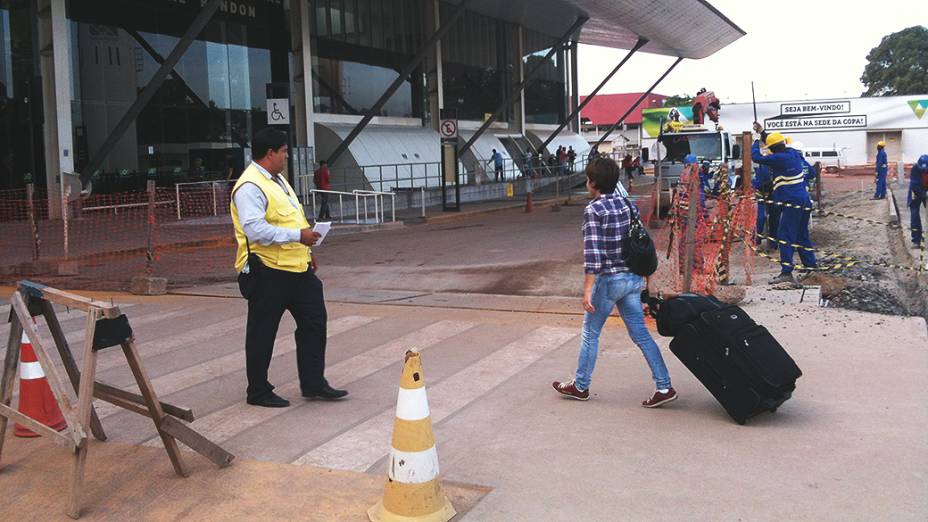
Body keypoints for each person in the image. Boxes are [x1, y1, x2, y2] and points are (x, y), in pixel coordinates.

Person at [230, 128, 347, 408]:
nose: (286, 156)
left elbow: (291, 219)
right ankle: (258, 391)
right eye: (283, 151)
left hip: (297, 268)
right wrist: (299, 237)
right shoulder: (250, 186)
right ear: (270, 153)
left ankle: (314, 382)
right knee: (262, 331)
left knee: (314, 321)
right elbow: (255, 229)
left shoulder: (278, 181)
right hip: (267, 271)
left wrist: (306, 250)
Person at [552, 156, 676, 407]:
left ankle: (581, 385)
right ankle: (664, 386)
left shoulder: (594, 210)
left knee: (590, 332)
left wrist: (588, 291)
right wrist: (647, 280)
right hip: (632, 279)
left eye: (588, 179)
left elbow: (594, 255)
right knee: (640, 334)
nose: (587, 183)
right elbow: (641, 242)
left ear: (594, 183)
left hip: (609, 282)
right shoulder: (626, 204)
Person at [752, 122, 817, 284]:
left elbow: (756, 157)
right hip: (803, 201)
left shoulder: (778, 158)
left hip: (791, 204)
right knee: (802, 235)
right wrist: (763, 133)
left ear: (773, 149)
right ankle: (810, 266)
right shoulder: (793, 153)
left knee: (785, 236)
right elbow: (776, 144)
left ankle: (786, 272)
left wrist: (755, 141)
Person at [908, 155, 928, 249]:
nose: (924, 171)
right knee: (914, 214)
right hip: (916, 192)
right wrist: (924, 195)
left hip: (926, 190)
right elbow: (914, 185)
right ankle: (916, 240)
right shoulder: (915, 169)